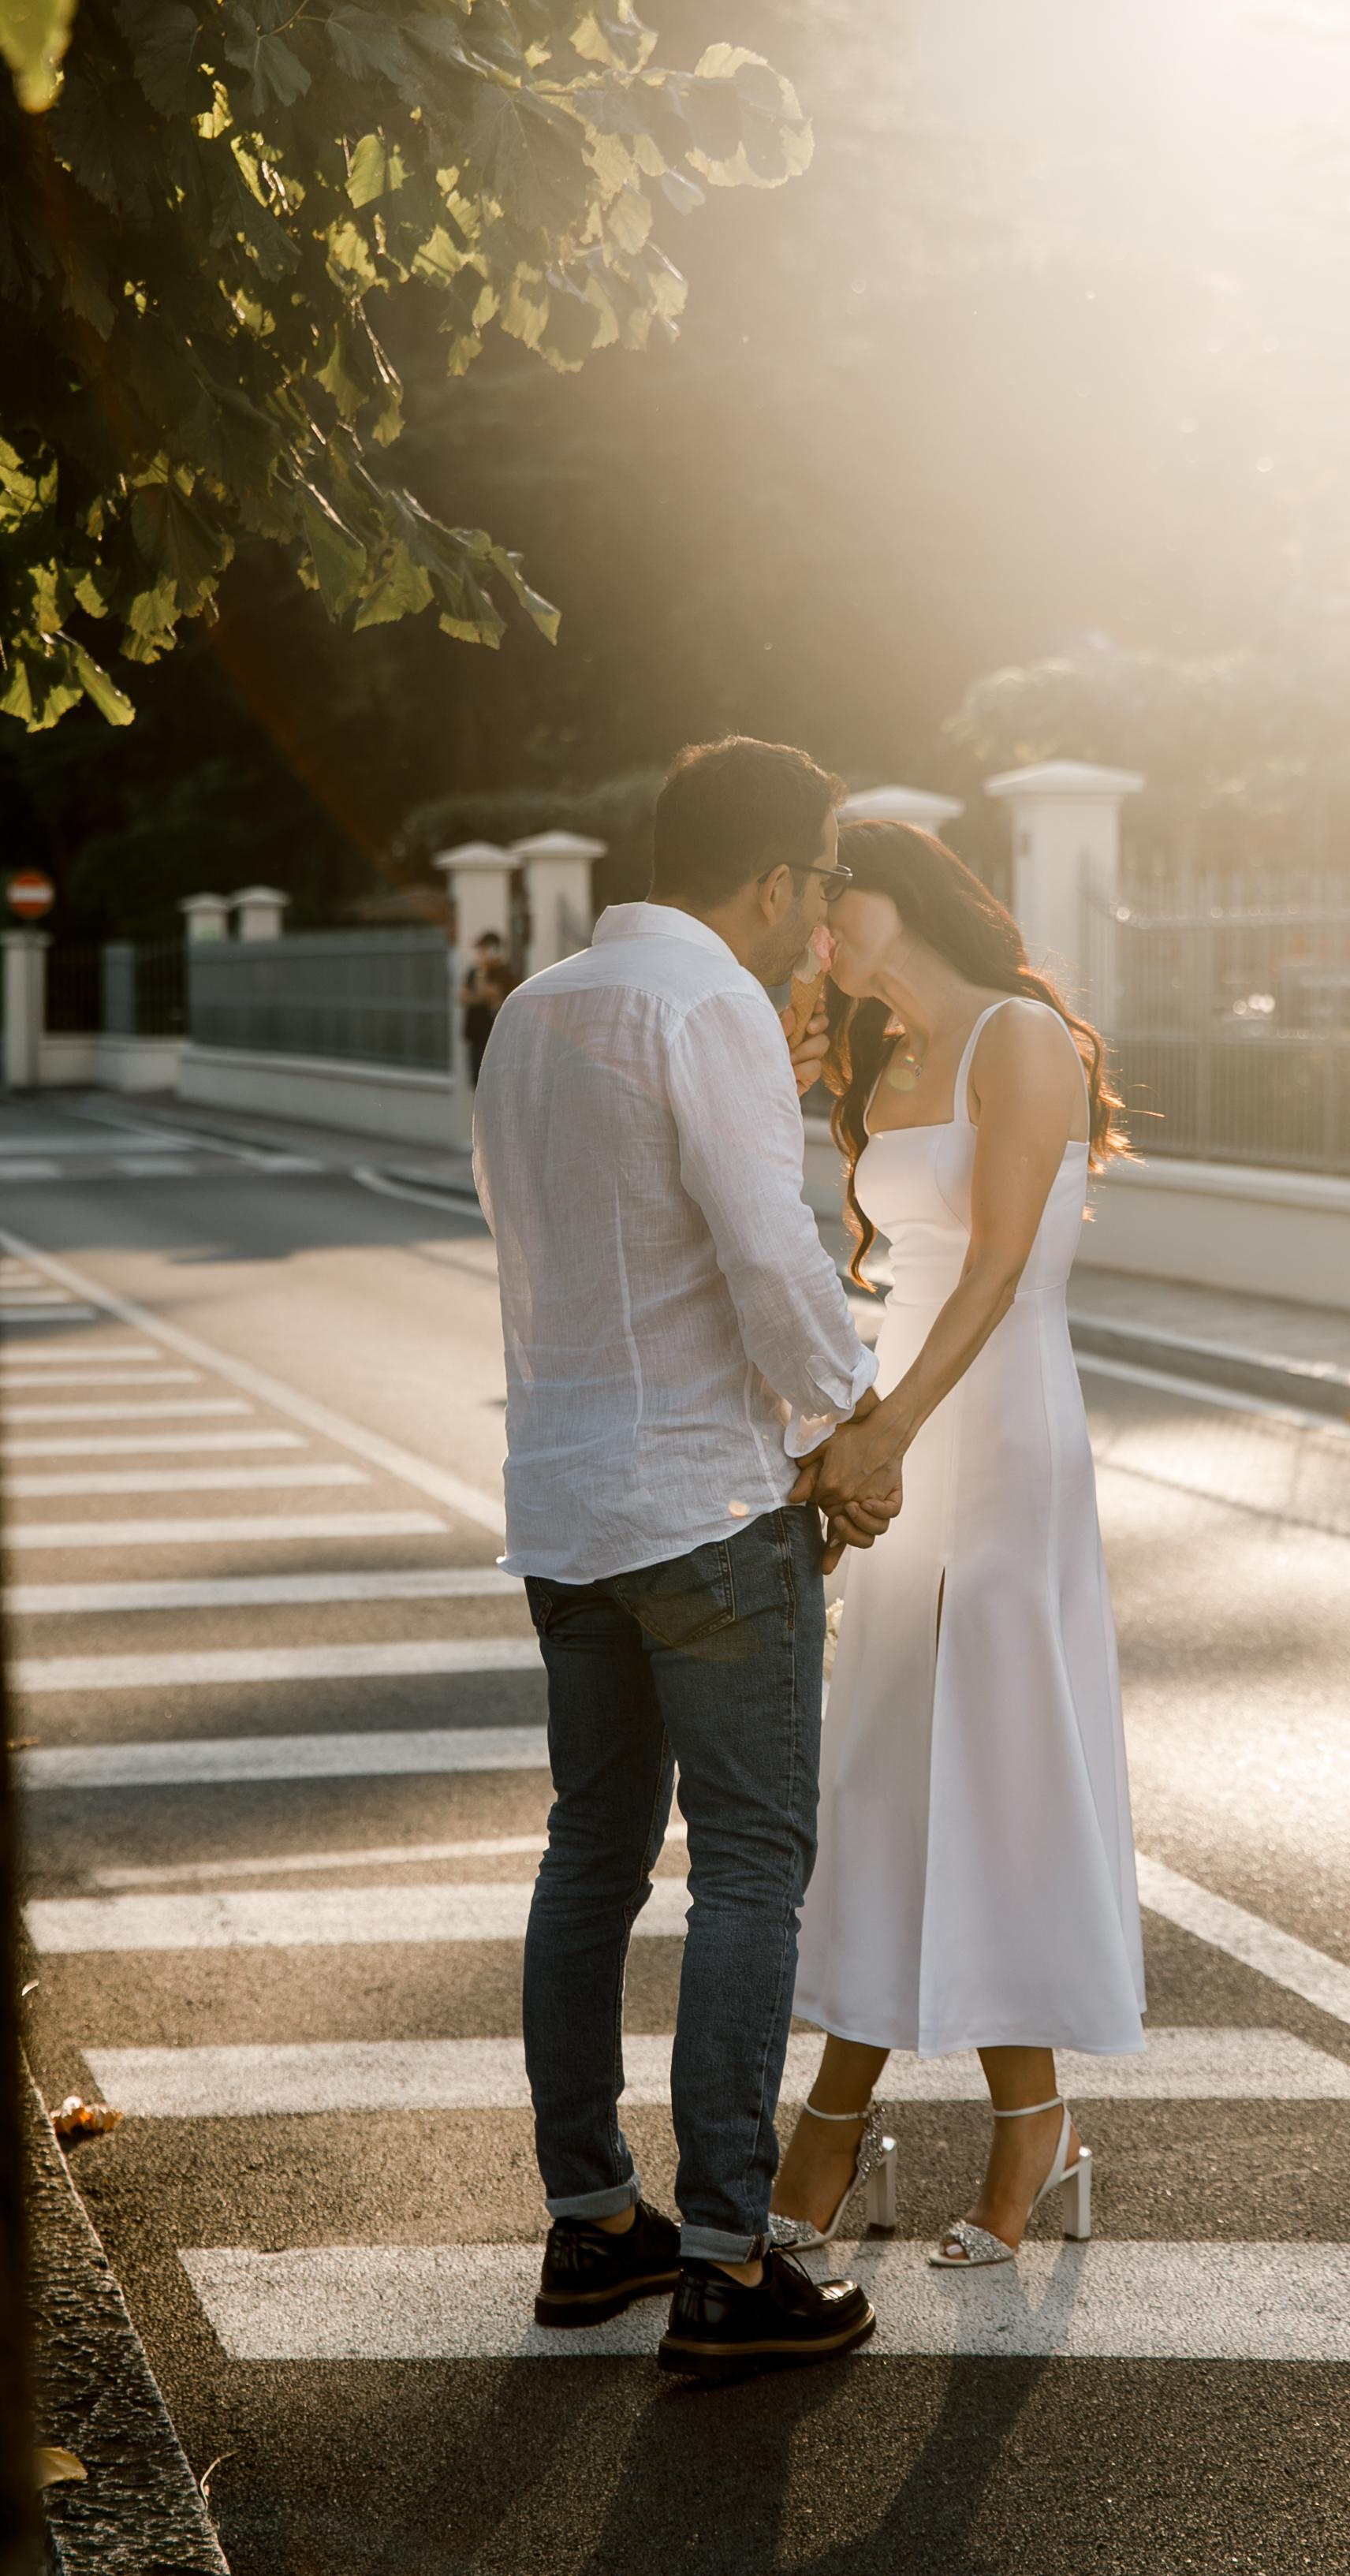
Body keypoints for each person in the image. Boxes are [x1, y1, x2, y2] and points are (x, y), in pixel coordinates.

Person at [473, 737, 902, 2382]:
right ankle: (729, 2258)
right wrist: (851, 1421)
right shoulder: (708, 1005)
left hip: (568, 1503)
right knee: (747, 1860)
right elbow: (764, 1242)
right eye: (819, 888)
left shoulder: (536, 1009)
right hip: (711, 1510)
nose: (818, 929)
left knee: (592, 1852)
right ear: (779, 876)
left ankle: (595, 2219)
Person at [773, 821, 1146, 2269]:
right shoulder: (878, 1065)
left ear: (893, 894)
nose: (815, 929)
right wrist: (853, 1428)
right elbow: (885, 1271)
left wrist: (888, 1434)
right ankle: (837, 2121)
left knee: (993, 1761)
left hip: (995, 1424)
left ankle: (1027, 2129)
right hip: (907, 1409)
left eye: (828, 902)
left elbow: (995, 1264)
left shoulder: (1021, 1037)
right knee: (880, 1761)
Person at [461, 930, 518, 1087]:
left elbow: (490, 994)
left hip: (493, 1038)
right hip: (475, 1037)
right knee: (476, 1083)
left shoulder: (504, 973)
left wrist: (482, 977)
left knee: (494, 1083)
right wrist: (480, 997)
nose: (480, 953)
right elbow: (463, 997)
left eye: (484, 949)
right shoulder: (474, 971)